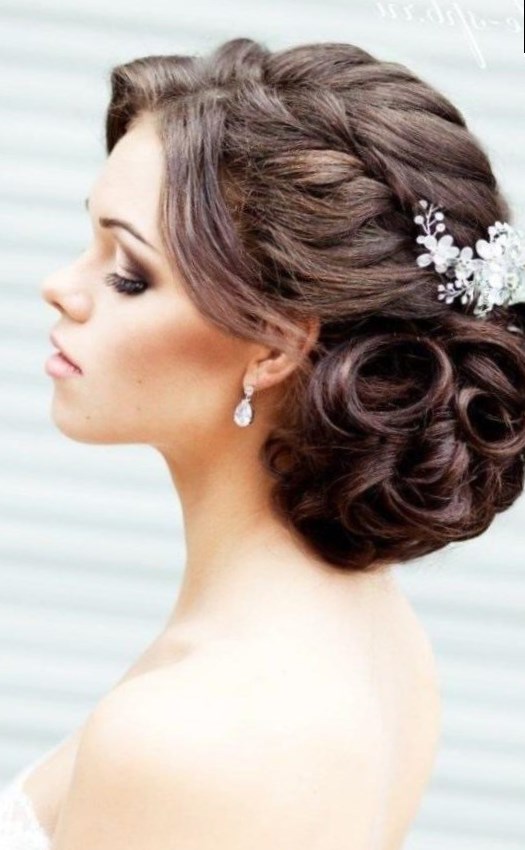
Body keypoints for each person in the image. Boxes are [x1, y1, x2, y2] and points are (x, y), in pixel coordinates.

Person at [3, 36, 525, 850]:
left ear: (276, 345)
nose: (60, 288)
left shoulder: (190, 735)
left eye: (129, 274)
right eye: (89, 242)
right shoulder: (374, 630)